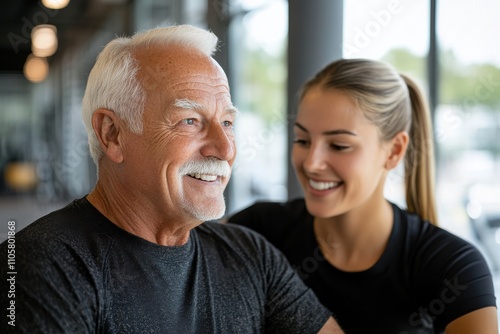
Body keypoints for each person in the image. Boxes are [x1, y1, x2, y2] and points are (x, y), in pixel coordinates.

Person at [0, 25, 344, 333]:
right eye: (190, 120)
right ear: (113, 134)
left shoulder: (251, 256)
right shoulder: (37, 268)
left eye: (226, 122)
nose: (224, 149)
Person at [228, 58, 498, 333]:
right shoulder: (257, 229)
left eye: (339, 145)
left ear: (393, 151)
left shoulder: (453, 266)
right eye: (303, 140)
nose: (311, 163)